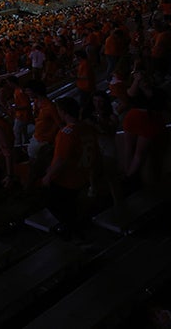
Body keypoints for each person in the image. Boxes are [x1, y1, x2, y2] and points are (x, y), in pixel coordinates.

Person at [41, 97, 97, 240]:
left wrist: (49, 176)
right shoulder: (87, 128)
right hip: (82, 173)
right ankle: (73, 228)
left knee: (55, 203)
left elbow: (61, 159)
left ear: (63, 112)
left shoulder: (66, 133)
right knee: (71, 204)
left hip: (67, 178)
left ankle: (72, 231)